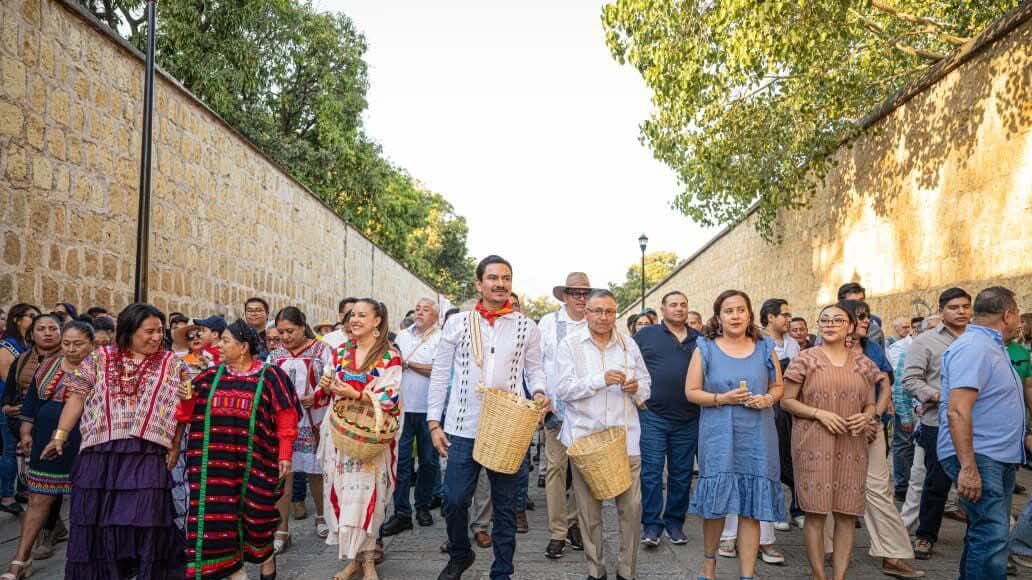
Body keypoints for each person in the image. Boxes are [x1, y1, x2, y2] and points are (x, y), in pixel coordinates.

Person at [41, 303, 191, 579]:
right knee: (100, 521)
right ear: (129, 331)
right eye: (149, 331)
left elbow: (184, 408)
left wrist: (174, 444)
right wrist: (60, 435)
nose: (157, 337)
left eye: (160, 331)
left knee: (147, 520)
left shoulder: (172, 364)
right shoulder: (99, 359)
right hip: (101, 453)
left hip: (148, 452)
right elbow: (77, 397)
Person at [427, 255, 549, 580]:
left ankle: (502, 571)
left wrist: (539, 392)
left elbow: (535, 370)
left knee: (506, 506)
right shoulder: (457, 323)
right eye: (493, 278)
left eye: (506, 278)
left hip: (508, 429)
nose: (500, 284)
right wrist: (434, 423)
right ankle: (460, 553)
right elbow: (440, 373)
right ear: (479, 284)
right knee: (453, 499)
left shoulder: (526, 326)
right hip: (462, 426)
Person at [171, 319, 300, 580]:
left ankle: (266, 561)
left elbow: (286, 417)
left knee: (258, 516)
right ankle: (234, 571)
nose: (218, 345)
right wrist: (184, 402)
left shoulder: (271, 376)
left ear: (243, 348)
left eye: (225, 340)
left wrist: (285, 454)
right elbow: (185, 415)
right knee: (218, 519)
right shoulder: (208, 378)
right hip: (215, 468)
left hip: (256, 463)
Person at [685, 290, 785, 580]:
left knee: (751, 506)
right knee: (716, 505)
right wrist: (722, 398)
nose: (735, 316)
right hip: (719, 435)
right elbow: (691, 392)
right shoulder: (705, 348)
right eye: (729, 311)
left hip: (757, 435)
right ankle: (709, 565)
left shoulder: (765, 347)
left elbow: (778, 387)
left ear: (750, 314)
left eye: (741, 310)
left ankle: (747, 575)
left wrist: (768, 398)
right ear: (719, 317)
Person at [780, 303, 881, 580]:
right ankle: (818, 575)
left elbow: (871, 403)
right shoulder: (805, 359)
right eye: (824, 320)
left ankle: (839, 576)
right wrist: (818, 413)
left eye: (837, 320)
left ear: (850, 327)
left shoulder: (863, 363)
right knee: (815, 513)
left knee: (846, 513)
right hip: (813, 443)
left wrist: (866, 417)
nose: (830, 324)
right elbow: (786, 400)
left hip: (852, 443)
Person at [555, 289, 650, 580]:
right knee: (589, 512)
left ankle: (627, 572)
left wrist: (637, 388)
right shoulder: (570, 344)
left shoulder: (628, 345)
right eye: (597, 311)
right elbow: (563, 389)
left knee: (632, 510)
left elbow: (646, 384)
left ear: (615, 314)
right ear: (586, 313)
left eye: (609, 311)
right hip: (586, 441)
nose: (603, 317)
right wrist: (600, 380)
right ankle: (596, 571)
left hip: (625, 439)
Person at [935, 286, 1024, 580]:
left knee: (987, 534)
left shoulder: (990, 346)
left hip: (994, 456)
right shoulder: (975, 347)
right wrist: (969, 467)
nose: (1019, 321)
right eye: (1018, 314)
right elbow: (957, 410)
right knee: (991, 535)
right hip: (980, 456)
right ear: (1008, 315)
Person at [834, 300, 924, 579]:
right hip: (835, 428)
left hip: (872, 427)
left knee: (878, 489)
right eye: (861, 316)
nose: (867, 321)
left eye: (867, 316)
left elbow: (885, 386)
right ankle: (828, 550)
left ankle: (892, 554)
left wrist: (872, 418)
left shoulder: (872, 348)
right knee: (830, 488)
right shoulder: (823, 348)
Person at [316, 299, 402, 580]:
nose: (354, 319)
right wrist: (327, 386)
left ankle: (369, 563)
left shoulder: (389, 356)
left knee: (368, 500)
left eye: (362, 315)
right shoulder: (340, 351)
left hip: (371, 439)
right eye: (352, 315)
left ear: (377, 321)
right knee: (345, 496)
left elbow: (390, 397)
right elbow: (326, 387)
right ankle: (353, 560)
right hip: (341, 438)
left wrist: (355, 394)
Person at [3, 320, 93, 574]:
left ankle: (84, 561)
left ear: (91, 344)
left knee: (85, 500)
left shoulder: (100, 368)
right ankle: (21, 559)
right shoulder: (48, 365)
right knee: (38, 497)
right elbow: (32, 400)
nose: (71, 349)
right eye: (67, 343)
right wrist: (26, 430)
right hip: (45, 439)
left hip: (85, 440)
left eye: (78, 344)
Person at [902, 287, 972, 560]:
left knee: (977, 482)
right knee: (936, 483)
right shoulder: (926, 341)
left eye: (965, 306)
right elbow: (910, 380)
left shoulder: (979, 339)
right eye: (954, 307)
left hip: (977, 422)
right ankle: (925, 536)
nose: (961, 311)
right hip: (938, 422)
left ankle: (980, 540)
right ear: (942, 310)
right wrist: (938, 396)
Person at [632, 291, 701, 547]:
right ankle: (651, 525)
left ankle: (674, 523)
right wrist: (637, 397)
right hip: (653, 415)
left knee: (681, 474)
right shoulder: (646, 335)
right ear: (662, 310)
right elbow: (628, 364)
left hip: (689, 417)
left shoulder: (700, 339)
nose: (679, 309)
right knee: (651, 473)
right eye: (673, 305)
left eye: (683, 304)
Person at [537, 272, 592, 558]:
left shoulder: (595, 320)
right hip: (555, 409)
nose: (581, 298)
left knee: (582, 470)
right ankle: (558, 531)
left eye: (585, 293)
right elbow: (535, 362)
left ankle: (574, 522)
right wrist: (540, 396)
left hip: (587, 409)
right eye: (576, 293)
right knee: (556, 469)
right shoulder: (549, 323)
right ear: (565, 296)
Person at [269, 306, 333, 548]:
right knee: (284, 471)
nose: (285, 337)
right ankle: (282, 529)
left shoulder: (322, 350)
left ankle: (322, 515)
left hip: (313, 418)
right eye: (281, 332)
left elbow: (332, 378)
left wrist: (316, 396)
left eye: (290, 331)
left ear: (302, 327)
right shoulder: (275, 355)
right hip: (284, 421)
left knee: (316, 470)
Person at [382, 298, 443, 535]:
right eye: (417, 309)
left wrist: (409, 364)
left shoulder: (441, 338)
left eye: (425, 310)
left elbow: (439, 371)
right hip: (403, 408)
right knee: (401, 461)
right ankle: (401, 513)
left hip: (429, 410)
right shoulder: (403, 336)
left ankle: (423, 506)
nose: (419, 313)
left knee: (428, 461)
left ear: (435, 316)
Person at [2, 312, 61, 517]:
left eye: (53, 329)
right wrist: (7, 407)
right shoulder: (22, 359)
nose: (47, 333)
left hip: (56, 430)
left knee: (50, 482)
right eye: (41, 329)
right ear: (32, 334)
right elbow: (10, 390)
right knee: (34, 481)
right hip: (22, 426)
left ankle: (47, 526)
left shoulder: (70, 360)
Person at [838, 282, 885, 348]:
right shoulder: (830, 327)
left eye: (861, 301)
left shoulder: (874, 330)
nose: (859, 305)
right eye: (853, 302)